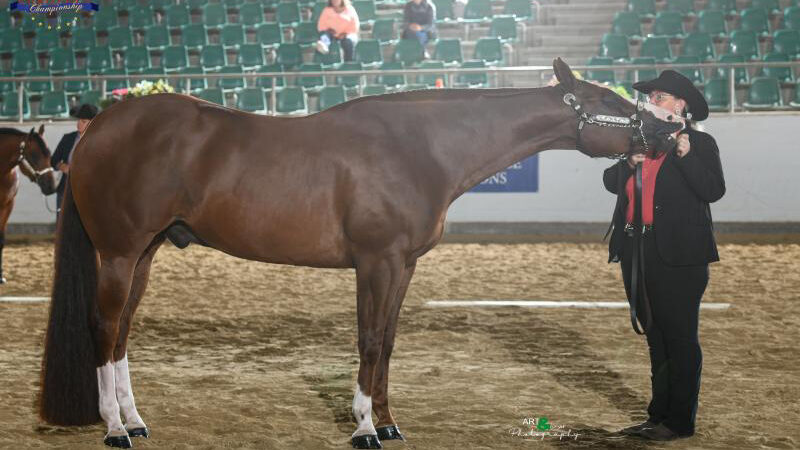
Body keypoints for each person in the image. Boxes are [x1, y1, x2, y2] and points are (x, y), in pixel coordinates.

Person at [603, 70, 725, 441]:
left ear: (680, 105)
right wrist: (629, 162)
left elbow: (714, 190)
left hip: (680, 256)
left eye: (659, 96)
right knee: (656, 337)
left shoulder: (700, 143)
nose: (652, 101)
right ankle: (658, 416)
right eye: (652, 96)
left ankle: (679, 421)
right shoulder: (641, 140)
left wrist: (686, 157)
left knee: (681, 338)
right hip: (638, 251)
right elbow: (611, 182)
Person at [51, 103, 97, 212]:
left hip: (87, 189)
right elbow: (53, 161)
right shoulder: (68, 138)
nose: (79, 124)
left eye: (83, 121)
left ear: (92, 123)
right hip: (65, 187)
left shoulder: (96, 141)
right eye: (78, 120)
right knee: (62, 221)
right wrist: (62, 166)